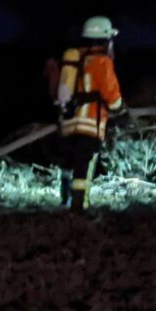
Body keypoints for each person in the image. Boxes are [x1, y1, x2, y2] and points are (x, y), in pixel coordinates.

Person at [53, 16, 125, 211]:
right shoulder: (101, 62)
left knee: (69, 164)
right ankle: (79, 207)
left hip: (68, 123)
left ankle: (65, 200)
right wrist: (120, 108)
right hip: (89, 125)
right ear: (103, 39)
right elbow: (113, 96)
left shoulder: (74, 59)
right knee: (84, 169)